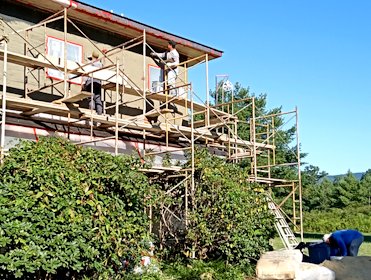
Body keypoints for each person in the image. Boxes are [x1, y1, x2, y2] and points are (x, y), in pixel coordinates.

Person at [83, 50, 103, 115]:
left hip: (90, 82)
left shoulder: (90, 64)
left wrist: (83, 83)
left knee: (91, 98)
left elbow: (86, 73)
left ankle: (91, 113)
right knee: (98, 99)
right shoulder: (100, 65)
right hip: (98, 83)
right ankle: (99, 113)